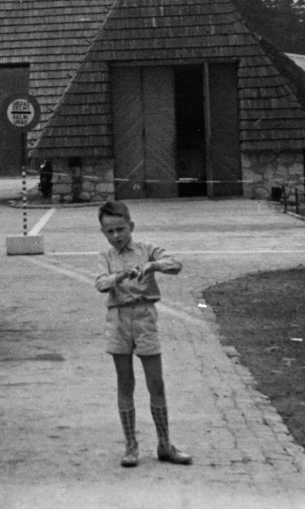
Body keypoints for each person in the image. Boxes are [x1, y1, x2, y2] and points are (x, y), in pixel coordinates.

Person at [94, 200, 192, 468]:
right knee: (125, 384)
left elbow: (176, 264)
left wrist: (154, 266)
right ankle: (131, 447)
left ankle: (165, 444)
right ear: (103, 232)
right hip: (118, 320)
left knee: (156, 383)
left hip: (145, 318)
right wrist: (120, 276)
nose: (116, 236)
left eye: (121, 229)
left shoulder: (148, 250)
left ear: (131, 226)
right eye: (110, 231)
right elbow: (100, 283)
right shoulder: (106, 256)